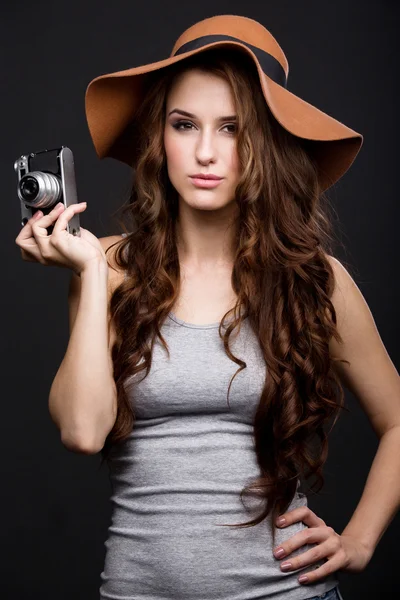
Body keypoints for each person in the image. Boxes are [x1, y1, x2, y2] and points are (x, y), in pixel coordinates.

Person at [15, 14, 400, 600]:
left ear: (264, 143)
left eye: (231, 128)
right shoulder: (110, 267)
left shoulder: (313, 281)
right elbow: (82, 430)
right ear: (158, 136)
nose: (204, 152)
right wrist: (92, 273)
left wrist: (361, 541)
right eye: (184, 124)